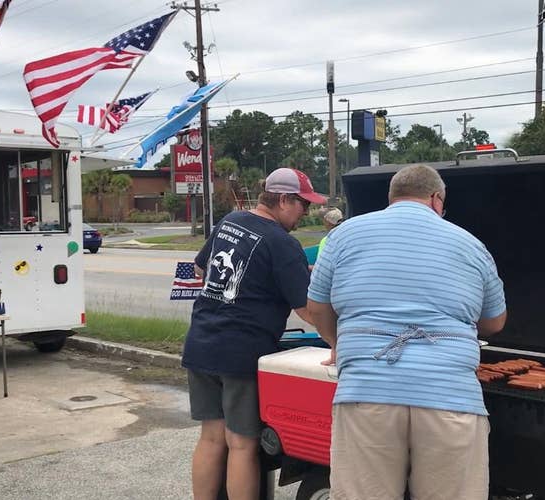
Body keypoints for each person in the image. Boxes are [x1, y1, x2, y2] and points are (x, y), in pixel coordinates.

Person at [307, 164, 507, 500]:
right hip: (450, 398)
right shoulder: (471, 245)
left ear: (392, 198)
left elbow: (316, 308)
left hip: (367, 392)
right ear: (435, 199)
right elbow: (494, 322)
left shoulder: (344, 235)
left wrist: (337, 344)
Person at [183, 167, 327, 500]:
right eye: (303, 204)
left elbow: (202, 267)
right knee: (242, 445)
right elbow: (308, 310)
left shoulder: (230, 222)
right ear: (283, 199)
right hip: (241, 353)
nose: (306, 213)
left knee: (211, 439)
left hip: (201, 344)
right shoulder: (282, 242)